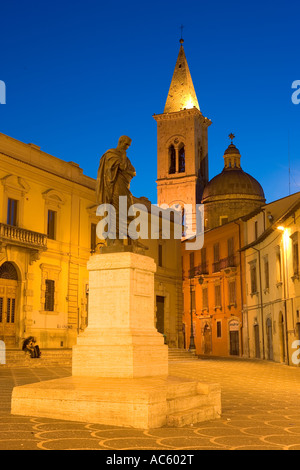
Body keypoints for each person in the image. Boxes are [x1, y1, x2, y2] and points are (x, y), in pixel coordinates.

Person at [96, 135, 136, 243]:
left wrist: (125, 168)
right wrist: (123, 160)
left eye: (128, 145)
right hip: (116, 187)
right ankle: (116, 240)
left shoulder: (125, 157)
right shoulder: (111, 154)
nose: (127, 147)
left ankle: (132, 240)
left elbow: (133, 171)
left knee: (129, 212)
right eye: (126, 144)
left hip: (125, 188)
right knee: (118, 212)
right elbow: (120, 168)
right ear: (120, 142)